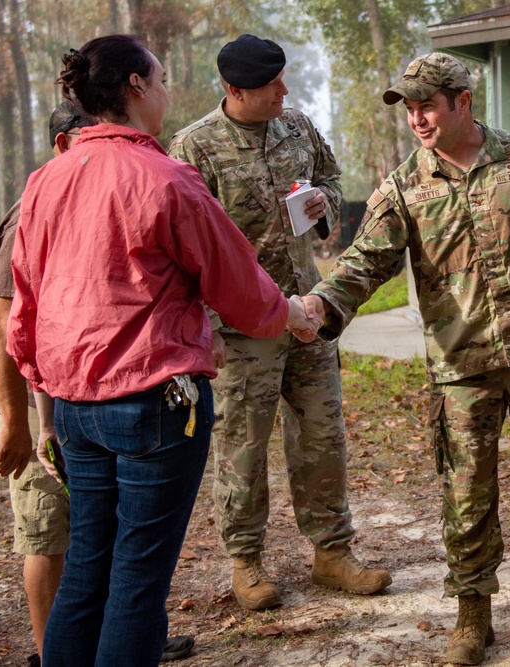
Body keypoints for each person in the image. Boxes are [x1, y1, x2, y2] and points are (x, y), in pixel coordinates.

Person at [7, 35, 316, 667]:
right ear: (136, 87)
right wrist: (294, 314)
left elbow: (26, 300)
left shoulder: (46, 179)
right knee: (136, 580)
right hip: (153, 405)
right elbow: (239, 284)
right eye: (163, 77)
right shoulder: (165, 176)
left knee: (89, 563)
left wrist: (46, 386)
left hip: (73, 407)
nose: (170, 90)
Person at [300, 52, 510, 665]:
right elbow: (364, 263)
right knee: (467, 497)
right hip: (462, 366)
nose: (417, 118)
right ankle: (473, 616)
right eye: (409, 108)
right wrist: (320, 305)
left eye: (427, 105)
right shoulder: (404, 186)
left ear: (462, 101)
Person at [167, 33, 391, 611]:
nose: (283, 92)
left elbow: (335, 183)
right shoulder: (194, 148)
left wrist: (323, 203)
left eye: (283, 80)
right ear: (234, 89)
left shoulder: (297, 128)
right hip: (243, 327)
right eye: (271, 85)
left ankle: (332, 552)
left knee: (322, 434)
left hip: (306, 313)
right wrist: (207, 328)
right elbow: (180, 246)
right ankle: (246, 562)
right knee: (243, 444)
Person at [0, 100, 194, 666]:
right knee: (65, 541)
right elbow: (6, 321)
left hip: (84, 397)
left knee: (103, 556)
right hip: (58, 401)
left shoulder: (100, 191)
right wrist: (21, 421)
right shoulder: (39, 202)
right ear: (64, 145)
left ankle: (113, 642)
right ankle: (53, 648)